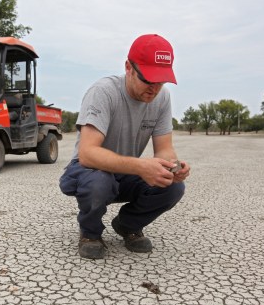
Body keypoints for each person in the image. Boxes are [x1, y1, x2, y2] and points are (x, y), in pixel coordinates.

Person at [59, 34, 190, 259]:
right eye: (148, 79)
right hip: (87, 170)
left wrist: (173, 167)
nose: (155, 89)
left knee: (172, 188)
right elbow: (88, 154)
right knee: (99, 181)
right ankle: (90, 233)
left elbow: (165, 148)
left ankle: (127, 225)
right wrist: (140, 166)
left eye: (161, 80)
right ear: (129, 67)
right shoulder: (104, 92)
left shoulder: (162, 98)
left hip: (125, 172)